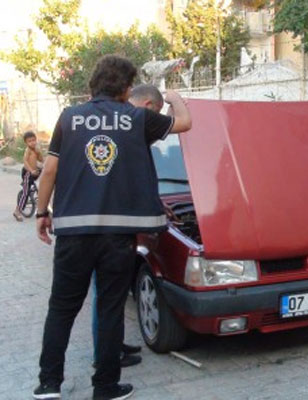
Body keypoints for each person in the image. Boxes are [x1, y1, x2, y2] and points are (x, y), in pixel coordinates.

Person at [33, 55, 192, 400]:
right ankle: (105, 388)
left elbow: (49, 171)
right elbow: (184, 123)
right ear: (124, 87)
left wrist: (41, 213)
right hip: (117, 236)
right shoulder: (136, 118)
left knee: (62, 307)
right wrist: (176, 96)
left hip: (73, 233)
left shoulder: (69, 118)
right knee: (109, 308)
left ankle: (48, 384)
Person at [89, 84, 167, 370]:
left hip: (106, 222)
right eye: (156, 113)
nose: (154, 121)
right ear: (148, 105)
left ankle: (112, 346)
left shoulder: (116, 123)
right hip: (105, 228)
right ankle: (105, 358)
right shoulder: (128, 124)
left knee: (111, 296)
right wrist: (178, 100)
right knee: (105, 296)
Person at [13, 131, 44, 221]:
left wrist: (39, 153)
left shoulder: (36, 149)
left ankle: (41, 207)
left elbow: (41, 160)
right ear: (26, 143)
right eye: (29, 141)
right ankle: (17, 211)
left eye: (34, 140)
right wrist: (31, 171)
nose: (32, 142)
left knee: (42, 188)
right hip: (28, 173)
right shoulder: (28, 150)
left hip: (36, 172)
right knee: (26, 192)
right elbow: (25, 162)